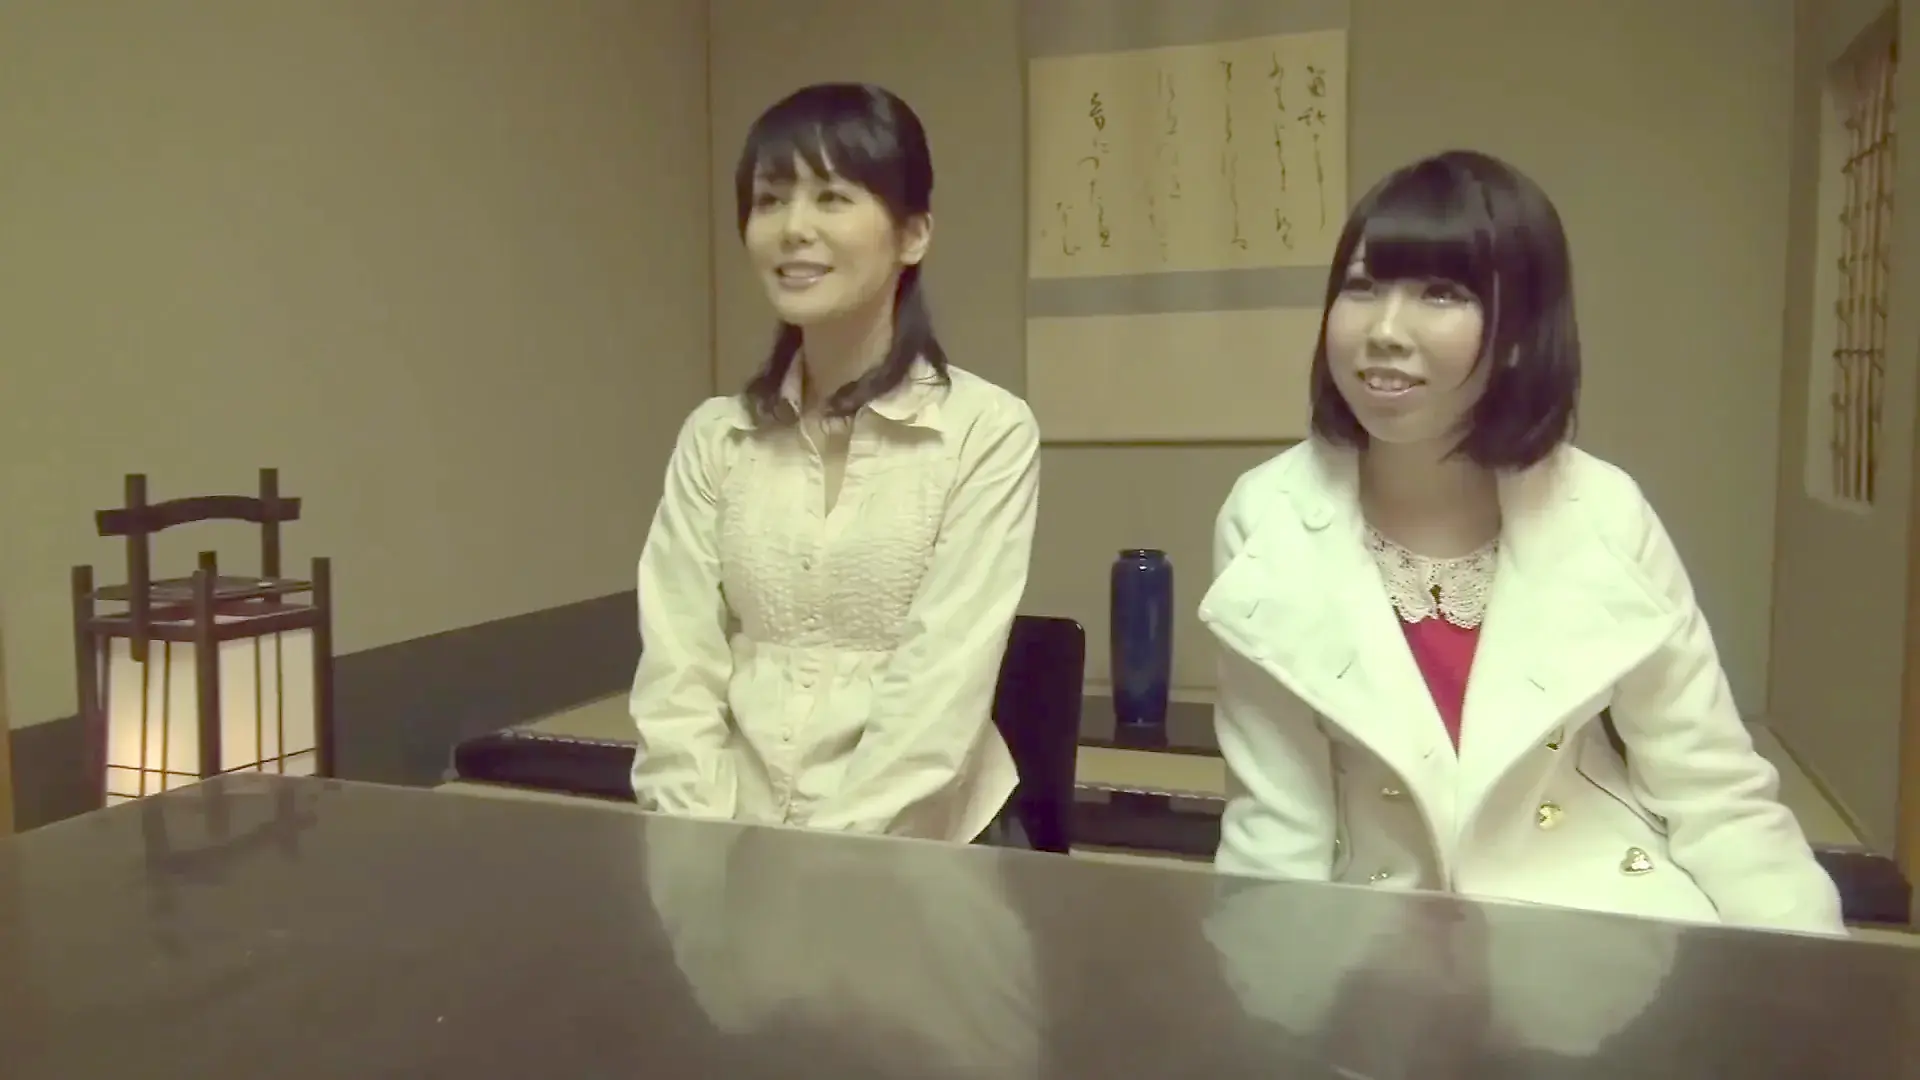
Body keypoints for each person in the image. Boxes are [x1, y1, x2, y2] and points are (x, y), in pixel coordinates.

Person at [1199, 149, 1845, 934]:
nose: (1384, 331)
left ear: (1518, 331)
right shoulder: (1267, 516)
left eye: (1441, 293)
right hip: (1374, 942)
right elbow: (1275, 826)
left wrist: (1810, 969)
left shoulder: (1603, 510)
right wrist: (1261, 993)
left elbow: (1713, 792)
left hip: (1596, 927)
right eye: (1362, 287)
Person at [628, 83, 1039, 845]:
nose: (794, 228)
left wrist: (823, 872)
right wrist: (702, 852)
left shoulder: (985, 430)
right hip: (730, 846)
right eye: (770, 200)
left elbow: (938, 694)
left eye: (832, 198)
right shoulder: (716, 438)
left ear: (912, 234)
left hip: (919, 848)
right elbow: (678, 673)